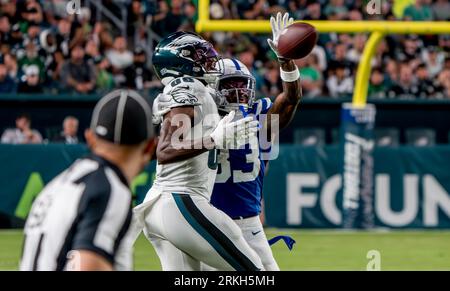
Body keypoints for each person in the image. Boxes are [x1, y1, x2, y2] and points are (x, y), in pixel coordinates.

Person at [131, 31, 263, 271]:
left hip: (163, 206)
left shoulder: (194, 90)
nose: (210, 60)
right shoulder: (188, 87)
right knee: (254, 272)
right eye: (200, 55)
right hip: (181, 201)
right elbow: (166, 150)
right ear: (180, 62)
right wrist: (213, 139)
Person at [20, 89, 156, 271]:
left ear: (90, 138)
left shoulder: (57, 184)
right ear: (149, 147)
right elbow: (88, 266)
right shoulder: (110, 187)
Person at [206, 12, 302, 272]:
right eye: (230, 85)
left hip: (248, 223)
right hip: (207, 222)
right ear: (212, 88)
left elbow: (291, 98)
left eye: (242, 84)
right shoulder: (198, 118)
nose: (239, 92)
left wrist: (286, 61)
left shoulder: (259, 117)